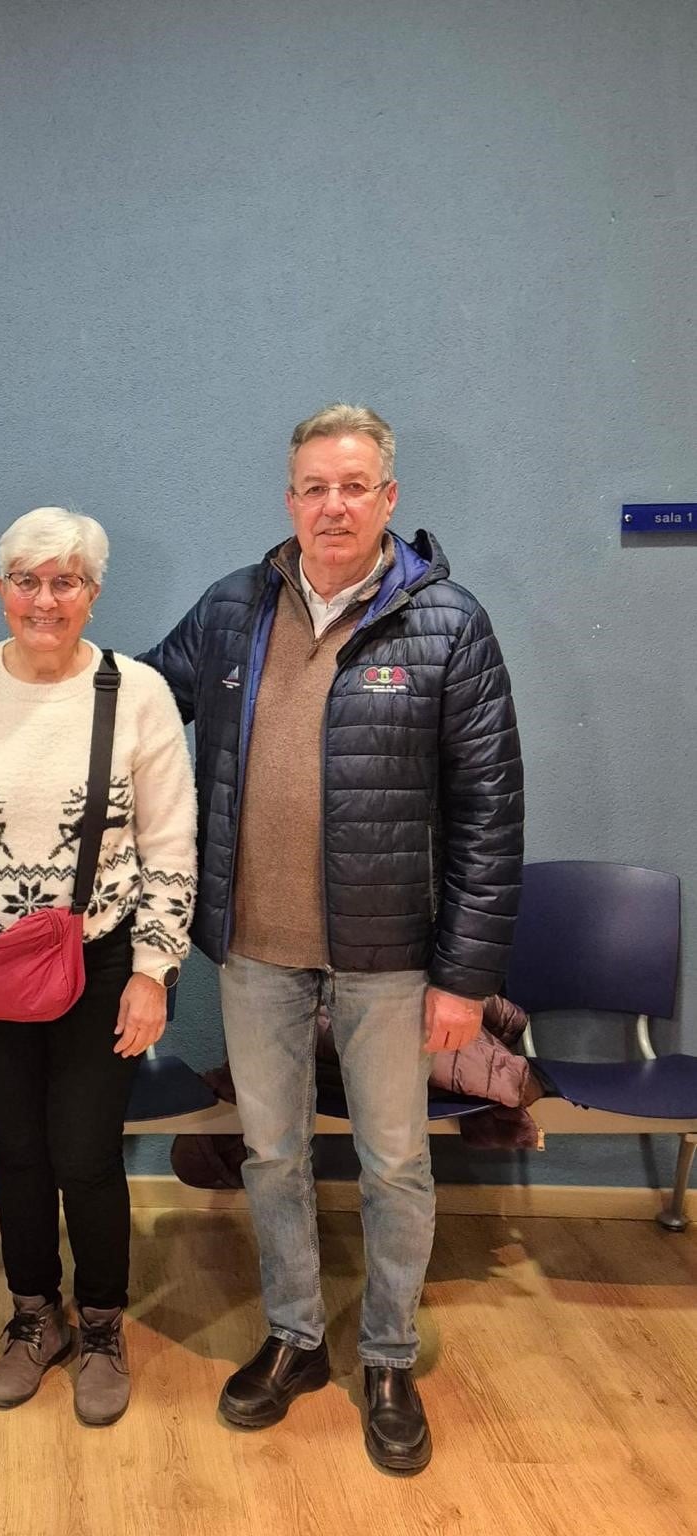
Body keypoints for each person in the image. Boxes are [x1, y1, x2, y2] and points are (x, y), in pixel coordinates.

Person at [143, 405, 523, 1474]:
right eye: (314, 486)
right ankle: (297, 1336)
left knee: (396, 1161)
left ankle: (389, 1357)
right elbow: (131, 698)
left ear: (390, 497)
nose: (334, 505)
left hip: (392, 960)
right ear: (290, 499)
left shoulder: (449, 623)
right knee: (272, 1153)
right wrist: (28, 676)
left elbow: (491, 810)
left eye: (355, 485)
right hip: (256, 949)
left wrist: (467, 976)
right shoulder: (234, 609)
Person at [0, 507, 197, 1427]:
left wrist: (153, 969)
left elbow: (171, 845)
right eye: (27, 580)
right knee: (19, 1153)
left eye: (65, 580)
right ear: (1, 589)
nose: (45, 599)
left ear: (93, 593)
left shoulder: (139, 693)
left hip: (105, 964)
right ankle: (35, 1317)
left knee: (86, 1153)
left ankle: (104, 1324)